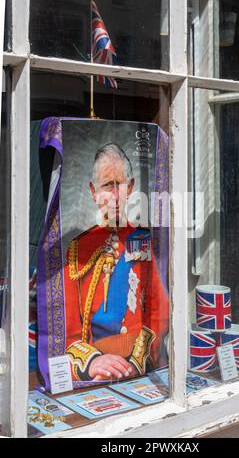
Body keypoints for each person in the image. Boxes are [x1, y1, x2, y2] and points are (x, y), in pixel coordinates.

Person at [64, 143, 169, 382]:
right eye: (106, 185)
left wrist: (137, 359)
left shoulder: (142, 239)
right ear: (93, 191)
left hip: (139, 365)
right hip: (98, 368)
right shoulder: (77, 249)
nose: (113, 194)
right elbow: (68, 329)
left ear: (130, 188)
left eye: (119, 185)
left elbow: (159, 311)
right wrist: (92, 362)